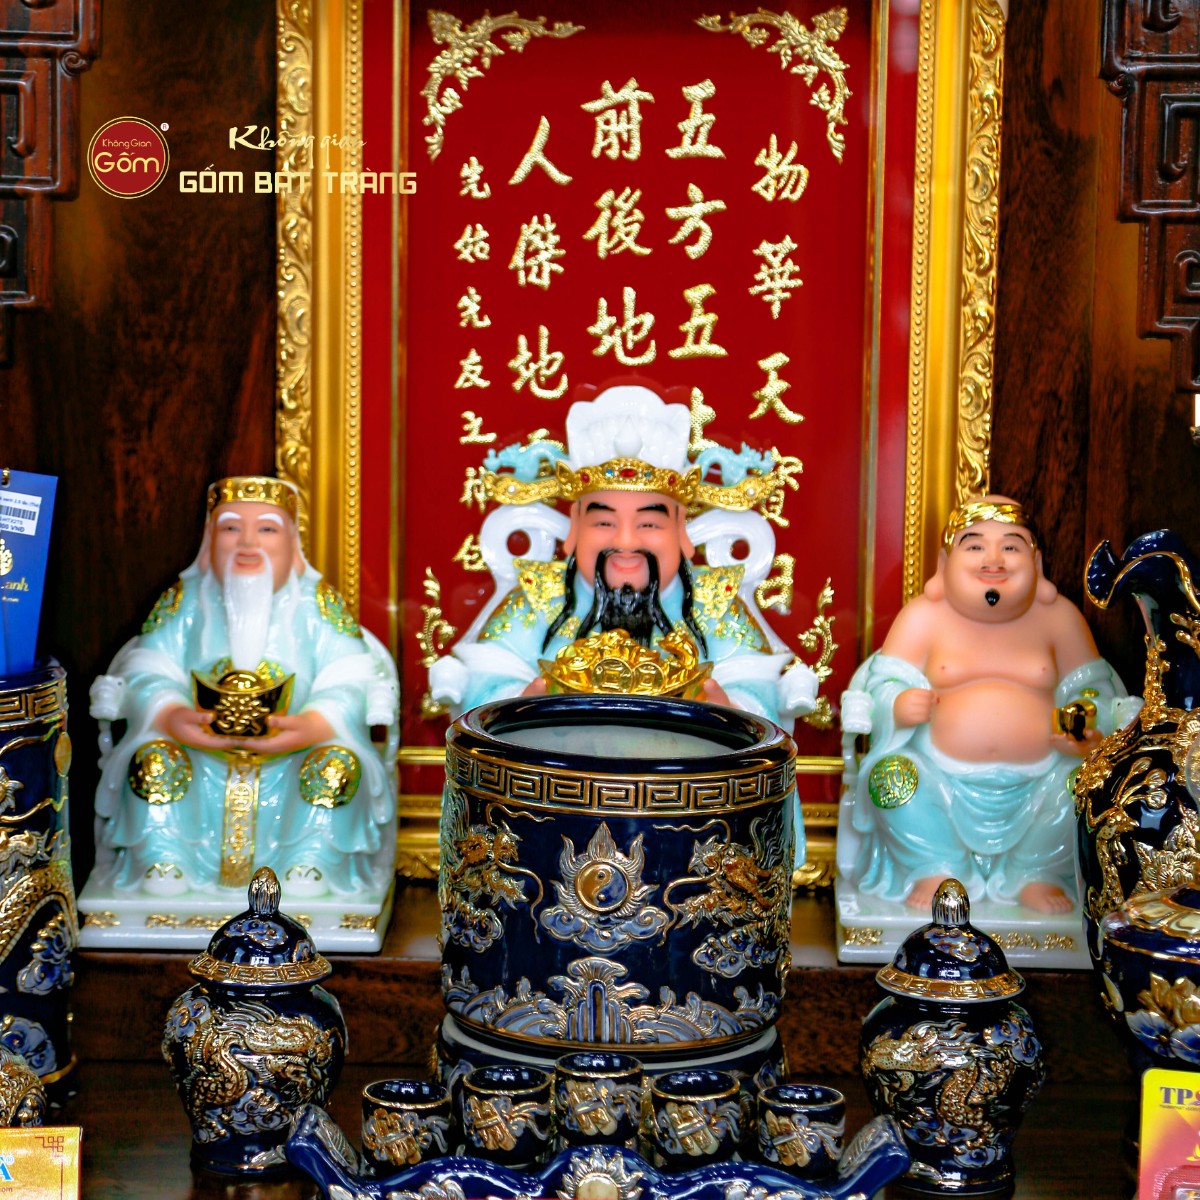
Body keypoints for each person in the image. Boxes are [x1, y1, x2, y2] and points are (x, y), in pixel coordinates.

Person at [428, 384, 818, 728]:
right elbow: (486, 682)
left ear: (681, 532)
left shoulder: (714, 603)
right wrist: (521, 704)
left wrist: (730, 712)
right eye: (604, 523)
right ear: (573, 531)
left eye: (649, 523)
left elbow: (757, 693)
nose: (626, 542)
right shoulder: (538, 596)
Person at [86, 476, 399, 902]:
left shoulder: (316, 603)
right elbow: (146, 666)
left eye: (267, 529)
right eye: (231, 528)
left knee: (335, 764)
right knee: (152, 759)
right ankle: (165, 857)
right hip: (198, 751)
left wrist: (316, 723)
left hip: (293, 754)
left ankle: (312, 861)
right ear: (210, 539)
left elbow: (353, 674)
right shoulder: (185, 600)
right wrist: (169, 714)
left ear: (292, 541)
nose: (248, 543)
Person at [837, 496, 1136, 914]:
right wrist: (898, 704)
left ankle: (1036, 872)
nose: (993, 560)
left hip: (1042, 779)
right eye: (975, 545)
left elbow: (1094, 690)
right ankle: (935, 865)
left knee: (1083, 783)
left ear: (1036, 562)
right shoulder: (923, 617)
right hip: (938, 776)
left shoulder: (1060, 619)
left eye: (1011, 546)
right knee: (889, 779)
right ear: (944, 563)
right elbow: (882, 683)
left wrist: (1081, 724)